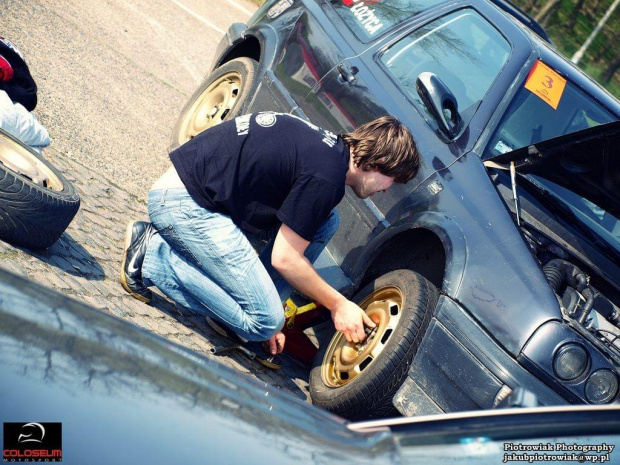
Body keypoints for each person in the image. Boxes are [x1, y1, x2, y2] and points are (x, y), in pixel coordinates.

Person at [120, 112, 419, 355]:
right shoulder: (325, 177)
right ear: (380, 163)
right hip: (183, 205)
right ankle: (152, 255)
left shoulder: (329, 152)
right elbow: (285, 259)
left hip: (196, 195)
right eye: (392, 180)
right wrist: (339, 304)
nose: (386, 190)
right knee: (264, 323)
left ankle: (246, 309)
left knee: (327, 221)